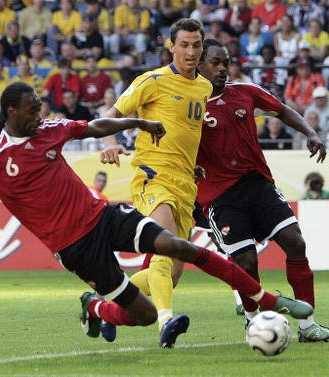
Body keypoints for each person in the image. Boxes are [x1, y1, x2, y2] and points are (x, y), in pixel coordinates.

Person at [0, 81, 313, 348]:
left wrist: (138, 125)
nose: (41, 113)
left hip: (104, 216)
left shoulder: (51, 130)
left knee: (178, 246)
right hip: (74, 247)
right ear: (11, 111)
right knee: (142, 315)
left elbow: (93, 127)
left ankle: (265, 300)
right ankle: (96, 308)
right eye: (33, 108)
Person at [195, 39, 329, 343]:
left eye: (226, 62)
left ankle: (308, 325)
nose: (222, 69)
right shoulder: (187, 106)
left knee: (295, 243)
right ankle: (252, 322)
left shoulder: (245, 92)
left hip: (258, 185)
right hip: (221, 197)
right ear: (199, 64)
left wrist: (311, 133)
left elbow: (283, 110)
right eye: (215, 63)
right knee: (245, 262)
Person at [100, 18, 215, 347]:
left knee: (171, 274)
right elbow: (112, 112)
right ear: (171, 46)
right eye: (184, 45)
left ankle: (103, 305)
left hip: (184, 185)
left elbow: (188, 134)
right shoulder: (152, 81)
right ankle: (166, 321)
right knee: (163, 247)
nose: (190, 52)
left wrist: (194, 166)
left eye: (196, 45)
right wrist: (110, 144)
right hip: (153, 176)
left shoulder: (204, 88)